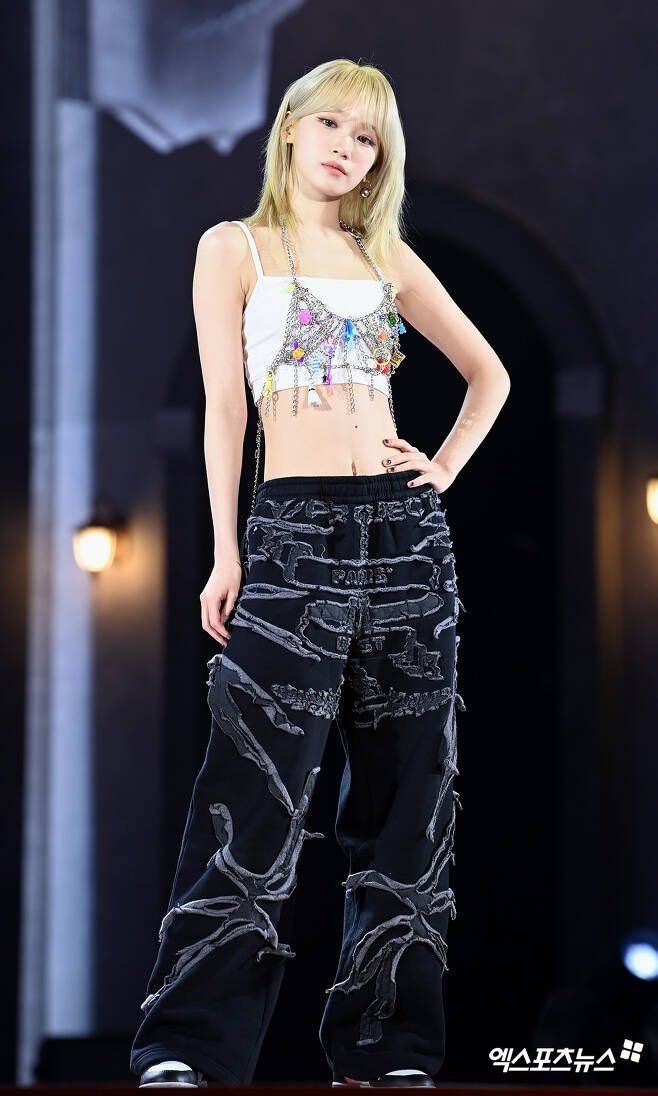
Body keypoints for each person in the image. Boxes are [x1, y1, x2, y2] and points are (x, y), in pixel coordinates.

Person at [131, 57, 511, 1089]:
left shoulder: (383, 254)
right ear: (292, 128)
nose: (347, 147)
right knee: (252, 786)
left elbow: (489, 373)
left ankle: (389, 1051)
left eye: (368, 136)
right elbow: (224, 411)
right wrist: (227, 550)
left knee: (411, 795)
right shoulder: (233, 247)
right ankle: (188, 1048)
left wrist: (441, 468)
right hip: (293, 533)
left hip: (404, 537)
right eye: (333, 124)